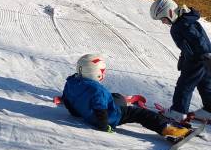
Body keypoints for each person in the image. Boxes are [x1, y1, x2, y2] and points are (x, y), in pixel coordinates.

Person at [62, 54, 190, 138]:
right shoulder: (97, 90)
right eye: (102, 71)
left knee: (115, 97)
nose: (103, 73)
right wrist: (104, 126)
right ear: (96, 73)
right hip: (111, 116)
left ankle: (121, 100)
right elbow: (100, 110)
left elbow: (67, 101)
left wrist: (78, 112)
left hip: (88, 112)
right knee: (140, 114)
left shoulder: (71, 82)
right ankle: (170, 130)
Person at [150, 0, 211, 122]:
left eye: (163, 19)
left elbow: (198, 40)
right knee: (204, 84)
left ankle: (178, 111)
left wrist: (207, 54)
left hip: (198, 59)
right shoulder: (185, 21)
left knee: (184, 85)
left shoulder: (183, 24)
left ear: (170, 12)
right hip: (201, 58)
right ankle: (209, 110)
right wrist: (183, 58)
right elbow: (188, 44)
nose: (163, 22)